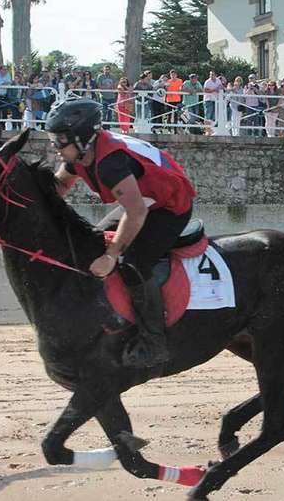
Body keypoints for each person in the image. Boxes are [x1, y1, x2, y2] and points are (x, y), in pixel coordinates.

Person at [47, 99, 196, 369]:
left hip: (170, 206)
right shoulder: (80, 155)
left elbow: (136, 212)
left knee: (133, 263)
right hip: (143, 201)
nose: (55, 147)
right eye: (53, 139)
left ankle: (155, 342)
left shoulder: (110, 163)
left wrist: (112, 255)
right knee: (93, 241)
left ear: (82, 140)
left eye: (60, 140)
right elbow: (57, 188)